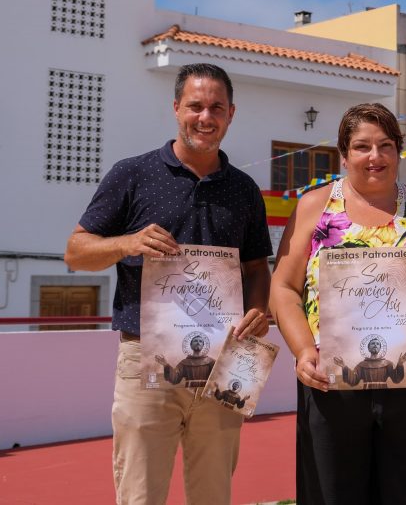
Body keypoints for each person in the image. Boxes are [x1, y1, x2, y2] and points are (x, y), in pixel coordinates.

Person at [64, 63, 273, 505]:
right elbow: (76, 251)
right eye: (195, 105)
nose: (205, 116)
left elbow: (256, 267)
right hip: (145, 358)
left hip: (224, 359)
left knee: (213, 494)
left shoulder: (245, 189)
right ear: (176, 108)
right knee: (140, 494)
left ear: (231, 113)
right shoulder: (132, 173)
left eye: (216, 107)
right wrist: (128, 242)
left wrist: (258, 313)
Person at [270, 102, 406, 505]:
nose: (375, 156)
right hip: (333, 381)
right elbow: (283, 288)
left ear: (399, 152)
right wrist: (303, 350)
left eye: (385, 145)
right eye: (362, 146)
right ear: (344, 155)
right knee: (331, 495)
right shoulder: (314, 206)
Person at [333, 337, 406, 389]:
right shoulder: (361, 365)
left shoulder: (388, 363)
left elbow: (396, 379)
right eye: (373, 344)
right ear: (369, 348)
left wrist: (400, 364)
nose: (375, 345)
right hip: (366, 392)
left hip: (383, 391)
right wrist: (344, 366)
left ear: (380, 348)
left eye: (377, 344)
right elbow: (353, 380)